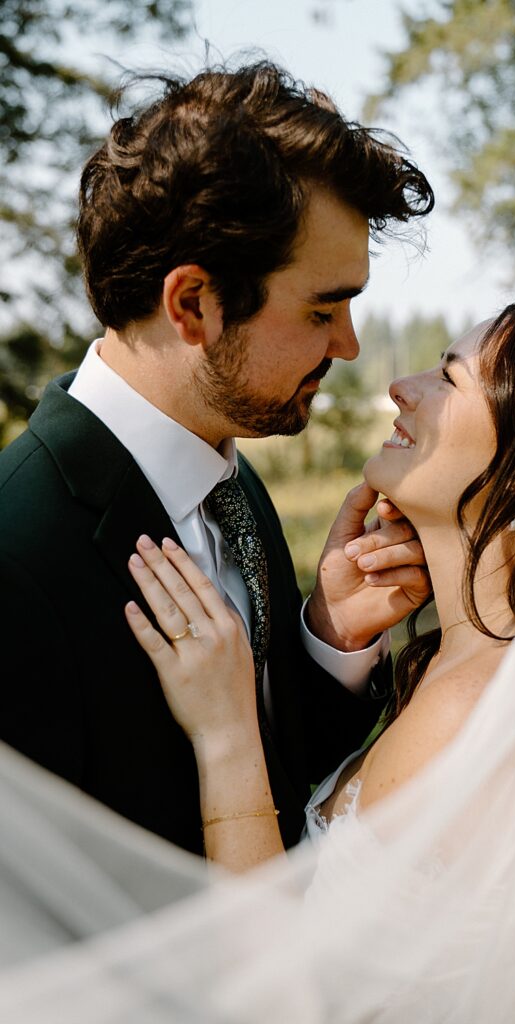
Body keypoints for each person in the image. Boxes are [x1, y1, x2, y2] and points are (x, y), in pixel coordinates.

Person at [0, 302, 515, 1023]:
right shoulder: (483, 670)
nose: (400, 386)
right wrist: (330, 634)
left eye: (449, 379)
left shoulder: (477, 705)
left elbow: (283, 998)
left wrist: (227, 735)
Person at [0, 62, 434, 855]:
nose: (347, 344)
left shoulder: (230, 487)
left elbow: (275, 780)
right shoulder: (15, 555)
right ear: (192, 304)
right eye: (321, 308)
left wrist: (328, 642)